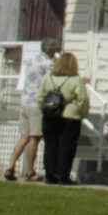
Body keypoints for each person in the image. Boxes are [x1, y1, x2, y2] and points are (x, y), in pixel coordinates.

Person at [4, 36, 53, 182]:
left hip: (24, 101)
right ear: (51, 49)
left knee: (24, 137)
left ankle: (11, 165)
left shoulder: (31, 59)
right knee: (35, 138)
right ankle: (30, 171)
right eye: (56, 50)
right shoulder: (47, 63)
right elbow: (54, 79)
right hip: (36, 103)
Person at [39, 51, 89, 185]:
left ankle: (50, 175)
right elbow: (82, 99)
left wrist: (44, 110)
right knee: (66, 147)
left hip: (50, 115)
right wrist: (81, 113)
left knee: (50, 146)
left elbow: (40, 97)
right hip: (70, 117)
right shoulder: (76, 80)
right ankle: (63, 176)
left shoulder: (48, 77)